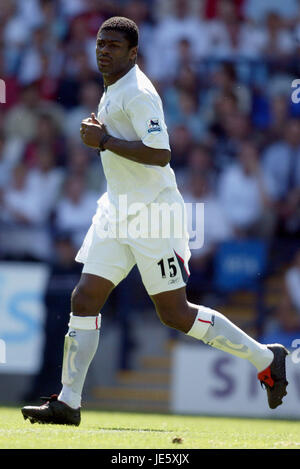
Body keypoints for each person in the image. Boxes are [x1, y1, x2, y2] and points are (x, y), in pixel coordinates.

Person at [21, 17, 288, 427]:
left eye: (113, 45)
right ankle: (68, 402)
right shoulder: (115, 89)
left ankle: (266, 358)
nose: (103, 50)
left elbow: (160, 153)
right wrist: (103, 133)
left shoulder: (139, 92)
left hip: (152, 215)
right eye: (99, 43)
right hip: (117, 210)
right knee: (84, 298)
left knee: (174, 313)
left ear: (133, 53)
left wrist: (104, 140)